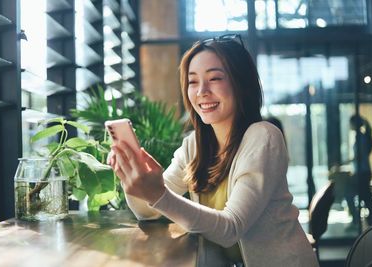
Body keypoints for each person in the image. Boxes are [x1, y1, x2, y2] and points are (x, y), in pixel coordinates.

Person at [108, 34, 318, 266]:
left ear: (241, 83)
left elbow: (230, 229)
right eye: (193, 81)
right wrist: (131, 181)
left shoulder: (263, 137)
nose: (202, 91)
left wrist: (158, 194)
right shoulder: (194, 146)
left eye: (215, 78)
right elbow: (149, 212)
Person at [349, 114, 372, 226]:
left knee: (353, 195)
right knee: (366, 197)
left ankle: (359, 222)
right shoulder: (361, 136)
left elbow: (359, 156)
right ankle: (370, 221)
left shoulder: (360, 137)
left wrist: (347, 161)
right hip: (363, 172)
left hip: (362, 172)